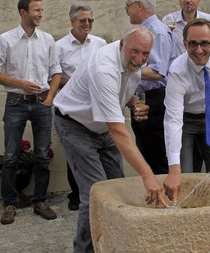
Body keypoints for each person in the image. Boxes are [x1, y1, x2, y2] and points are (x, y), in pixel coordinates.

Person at [53, 27, 168, 252]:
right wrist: (148, 176)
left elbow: (120, 91)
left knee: (118, 188)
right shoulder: (103, 68)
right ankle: (85, 249)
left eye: (145, 54)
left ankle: (113, 244)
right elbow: (118, 130)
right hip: (75, 124)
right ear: (121, 45)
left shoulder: (132, 61)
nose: (139, 59)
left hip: (102, 126)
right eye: (135, 51)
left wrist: (133, 102)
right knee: (95, 194)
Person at [0, 0, 62, 225]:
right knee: (10, 156)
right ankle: (9, 204)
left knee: (42, 155)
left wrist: (49, 98)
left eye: (41, 10)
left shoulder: (48, 39)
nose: (40, 14)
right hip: (16, 102)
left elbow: (56, 71)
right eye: (36, 10)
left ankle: (40, 201)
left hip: (41, 103)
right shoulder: (6, 39)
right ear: (23, 12)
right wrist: (19, 83)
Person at [163, 18, 210, 205]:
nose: (198, 51)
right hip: (185, 120)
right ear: (185, 44)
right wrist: (173, 168)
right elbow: (173, 120)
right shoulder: (177, 72)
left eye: (204, 43)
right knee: (186, 175)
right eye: (193, 44)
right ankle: (189, 214)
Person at [55, 3, 108, 211]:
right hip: (73, 108)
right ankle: (76, 194)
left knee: (95, 150)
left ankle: (99, 192)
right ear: (72, 22)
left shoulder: (100, 43)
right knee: (75, 153)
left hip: (96, 106)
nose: (87, 24)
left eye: (90, 21)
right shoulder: (59, 46)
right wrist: (77, 88)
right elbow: (56, 75)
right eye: (82, 21)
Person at [125, 0, 176, 174]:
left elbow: (157, 72)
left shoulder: (158, 32)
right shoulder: (145, 31)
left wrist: (126, 67)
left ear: (138, 6)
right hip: (141, 98)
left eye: (128, 7)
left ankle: (163, 195)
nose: (127, 12)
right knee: (145, 151)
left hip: (154, 100)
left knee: (156, 153)